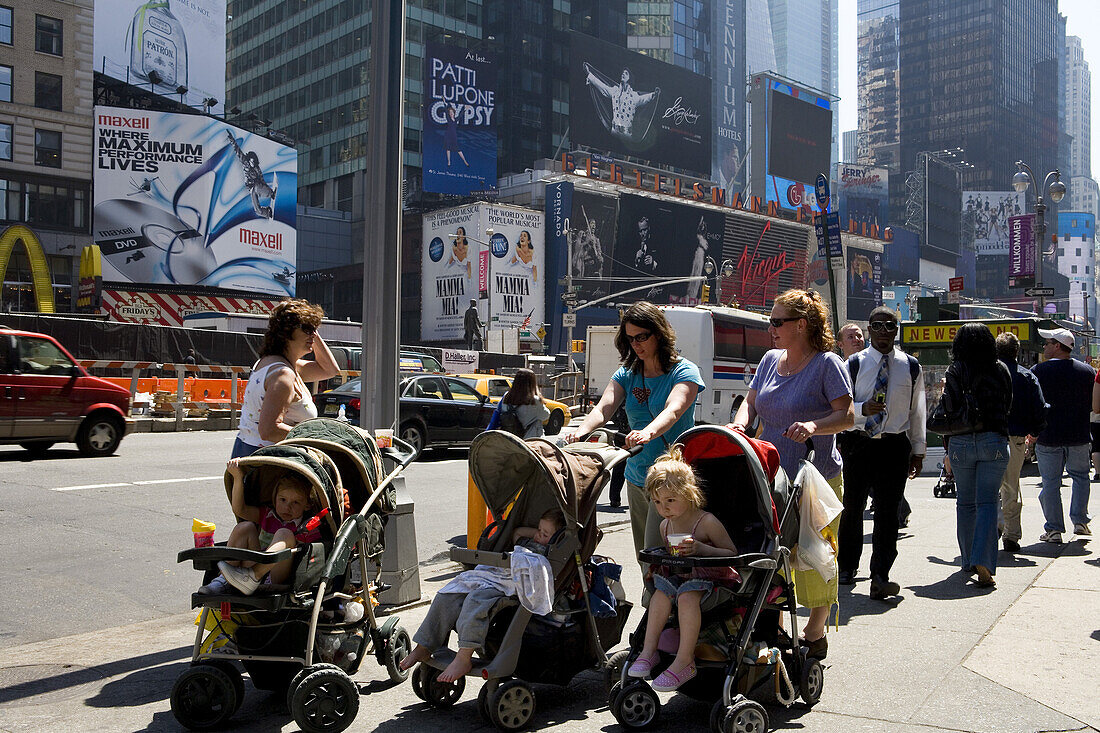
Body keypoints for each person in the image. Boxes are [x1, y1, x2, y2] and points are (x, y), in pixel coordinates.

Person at [727, 289, 853, 658]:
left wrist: (814, 426)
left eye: (777, 321)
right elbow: (750, 404)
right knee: (771, 553)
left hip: (816, 478)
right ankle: (775, 629)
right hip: (769, 476)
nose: (771, 327)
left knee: (814, 556)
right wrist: (740, 425)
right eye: (771, 320)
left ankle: (815, 633)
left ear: (801, 325)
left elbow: (846, 417)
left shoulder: (827, 363)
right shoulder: (769, 360)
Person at [566, 301, 705, 578]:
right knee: (646, 558)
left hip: (672, 481)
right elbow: (604, 407)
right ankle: (654, 608)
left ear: (659, 334)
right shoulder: (628, 373)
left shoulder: (684, 371)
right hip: (638, 476)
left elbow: (674, 409)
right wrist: (581, 430)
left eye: (642, 337)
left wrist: (648, 432)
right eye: (630, 339)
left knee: (671, 557)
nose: (636, 345)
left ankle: (674, 610)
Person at [398, 509, 565, 682]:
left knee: (475, 600)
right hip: (494, 575)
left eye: (545, 534)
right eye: (538, 529)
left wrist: (553, 540)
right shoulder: (529, 541)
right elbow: (517, 532)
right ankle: (425, 644)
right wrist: (540, 532)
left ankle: (464, 658)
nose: (538, 535)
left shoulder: (546, 554)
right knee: (448, 593)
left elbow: (536, 574)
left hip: (509, 584)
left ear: (556, 539)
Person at [626, 447, 738, 691]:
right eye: (657, 502)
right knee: (660, 593)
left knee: (686, 597)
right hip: (683, 577)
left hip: (713, 580)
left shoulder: (706, 522)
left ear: (688, 494)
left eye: (670, 500)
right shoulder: (666, 525)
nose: (663, 508)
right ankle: (649, 650)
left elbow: (732, 555)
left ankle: (684, 660)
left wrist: (700, 548)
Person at [837, 307, 926, 599]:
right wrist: (863, 410)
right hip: (858, 442)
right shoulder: (853, 364)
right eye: (878, 326)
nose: (884, 332)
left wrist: (918, 450)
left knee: (888, 513)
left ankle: (880, 574)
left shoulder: (910, 366)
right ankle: (847, 567)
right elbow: (841, 408)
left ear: (896, 331)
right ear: (870, 329)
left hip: (894, 445)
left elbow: (917, 412)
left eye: (890, 326)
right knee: (852, 508)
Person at [942, 323, 1012, 589]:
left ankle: (969, 559)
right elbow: (1008, 404)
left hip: (960, 442)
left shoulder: (956, 370)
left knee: (965, 503)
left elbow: (948, 406)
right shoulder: (1000, 369)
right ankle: (984, 560)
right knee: (987, 502)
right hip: (993, 439)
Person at [232, 299, 339, 458]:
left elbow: (330, 370)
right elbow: (269, 430)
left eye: (314, 329)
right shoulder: (283, 374)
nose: (313, 335)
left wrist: (312, 330)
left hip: (250, 453)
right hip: (271, 463)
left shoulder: (276, 364)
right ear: (286, 332)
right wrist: (317, 437)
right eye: (307, 328)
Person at [208, 458, 322, 595]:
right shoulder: (267, 515)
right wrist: (238, 478)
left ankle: (254, 575)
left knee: (284, 533)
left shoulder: (308, 525)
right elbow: (240, 510)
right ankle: (224, 579)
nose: (287, 507)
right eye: (283, 500)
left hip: (278, 575)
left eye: (296, 502)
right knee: (245, 527)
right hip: (247, 571)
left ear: (307, 505)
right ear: (274, 498)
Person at [1031, 327, 1094, 542]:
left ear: (1057, 346)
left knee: (1050, 482)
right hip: (1079, 434)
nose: (1045, 346)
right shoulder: (1087, 372)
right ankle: (1080, 522)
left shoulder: (1038, 371)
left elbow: (1035, 405)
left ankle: (1054, 529)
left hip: (1049, 435)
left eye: (1047, 343)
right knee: (1081, 477)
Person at [995, 332, 1046, 553]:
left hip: (988, 436)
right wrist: (1033, 432)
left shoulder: (986, 373)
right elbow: (1040, 408)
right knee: (1011, 487)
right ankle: (1011, 535)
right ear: (1017, 351)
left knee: (987, 487)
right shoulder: (1026, 376)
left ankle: (993, 526)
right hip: (1015, 438)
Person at [486, 368, 550, 439]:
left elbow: (498, 414)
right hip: (529, 441)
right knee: (537, 421)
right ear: (532, 383)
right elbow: (546, 415)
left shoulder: (506, 397)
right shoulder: (535, 400)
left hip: (510, 439)